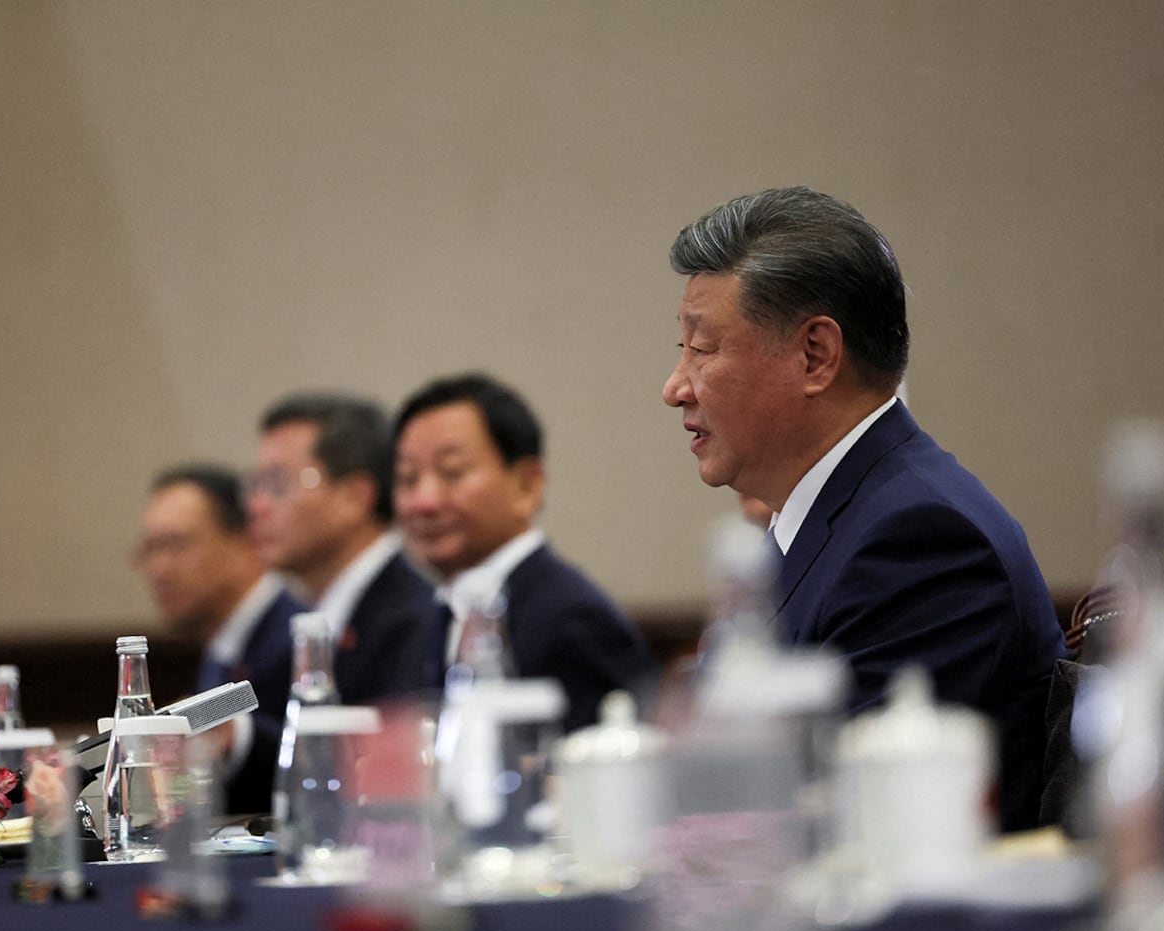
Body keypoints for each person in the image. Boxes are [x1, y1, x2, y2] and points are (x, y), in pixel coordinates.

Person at [662, 185, 1065, 831]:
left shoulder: (921, 538)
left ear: (815, 355)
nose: (674, 386)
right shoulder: (824, 519)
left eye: (701, 349)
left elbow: (840, 815)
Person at [393, 373, 658, 731]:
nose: (424, 501)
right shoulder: (434, 616)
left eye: (452, 472)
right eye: (408, 478)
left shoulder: (573, 619)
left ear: (526, 485)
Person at [133, 464, 302, 815]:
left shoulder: (296, 636)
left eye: (176, 545)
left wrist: (232, 734)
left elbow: (328, 765)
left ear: (248, 540)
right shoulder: (223, 645)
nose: (159, 568)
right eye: (150, 549)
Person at [247, 393, 434, 705]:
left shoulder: (411, 622)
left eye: (278, 483)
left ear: (355, 497)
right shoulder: (307, 620)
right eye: (256, 485)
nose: (256, 506)